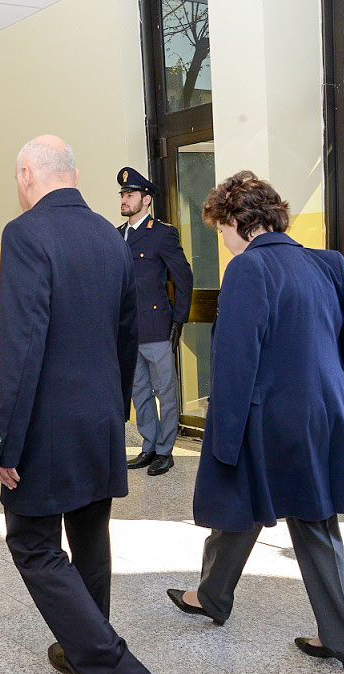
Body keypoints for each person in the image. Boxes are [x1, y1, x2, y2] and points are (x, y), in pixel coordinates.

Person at [0, 136, 169, 674]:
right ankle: (85, 658)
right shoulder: (109, 237)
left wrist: (2, 444)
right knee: (90, 540)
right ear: (75, 173)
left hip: (46, 427)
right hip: (99, 419)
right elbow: (125, 335)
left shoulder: (24, 234)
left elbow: (22, 347)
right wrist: (115, 410)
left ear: (26, 174)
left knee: (33, 545)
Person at [166, 171, 344, 674]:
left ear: (239, 222)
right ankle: (216, 596)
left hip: (273, 417)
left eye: (221, 230)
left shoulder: (249, 268)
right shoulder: (329, 263)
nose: (223, 240)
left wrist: (223, 437)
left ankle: (332, 635)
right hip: (327, 409)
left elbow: (237, 360)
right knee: (291, 514)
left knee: (257, 504)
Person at [118, 167, 193, 476]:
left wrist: (179, 320)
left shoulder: (162, 233)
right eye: (122, 195)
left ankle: (165, 450)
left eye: (130, 194)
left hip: (157, 327)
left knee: (165, 392)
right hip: (128, 330)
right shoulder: (117, 234)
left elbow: (183, 277)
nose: (124, 199)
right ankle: (148, 446)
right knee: (139, 392)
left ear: (146, 200)